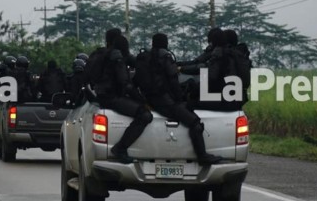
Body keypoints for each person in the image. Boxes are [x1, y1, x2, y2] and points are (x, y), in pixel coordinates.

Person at [136, 33, 223, 165]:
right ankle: (202, 156)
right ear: (165, 43)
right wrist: (181, 100)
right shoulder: (165, 58)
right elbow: (173, 82)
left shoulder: (143, 58)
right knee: (195, 123)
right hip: (165, 102)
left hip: (149, 100)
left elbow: (136, 80)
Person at [93, 35, 153, 164]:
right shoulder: (117, 58)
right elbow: (125, 84)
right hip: (111, 98)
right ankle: (120, 148)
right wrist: (142, 101)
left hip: (103, 96)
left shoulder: (105, 55)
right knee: (145, 115)